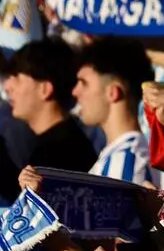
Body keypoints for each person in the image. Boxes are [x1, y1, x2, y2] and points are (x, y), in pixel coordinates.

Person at [2, 38, 95, 178]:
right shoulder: (62, 145)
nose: (8, 87)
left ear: (45, 89)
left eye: (18, 78)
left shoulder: (59, 156)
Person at [72, 39, 154, 185]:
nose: (75, 92)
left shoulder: (125, 161)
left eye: (84, 83)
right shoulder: (119, 155)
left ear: (113, 92)